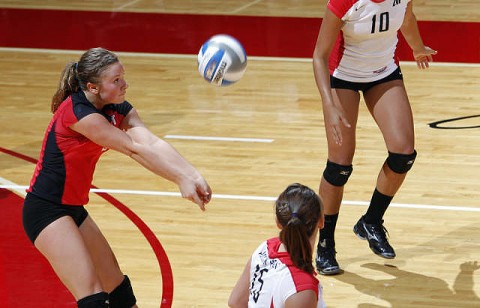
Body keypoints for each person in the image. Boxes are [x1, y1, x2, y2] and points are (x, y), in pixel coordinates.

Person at [22, 47, 212, 307]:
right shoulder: (79, 115)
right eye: (116, 80)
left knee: (119, 289)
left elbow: (151, 142)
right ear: (93, 87)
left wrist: (191, 173)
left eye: (122, 76)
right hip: (46, 210)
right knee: (93, 296)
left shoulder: (116, 108)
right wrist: (179, 179)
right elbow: (133, 149)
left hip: (73, 208)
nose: (125, 84)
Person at [312, 0, 437, 275]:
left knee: (403, 154)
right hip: (341, 77)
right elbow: (319, 56)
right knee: (339, 166)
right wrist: (328, 104)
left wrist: (417, 47)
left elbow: (407, 18)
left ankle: (371, 221)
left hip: (383, 73)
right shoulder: (345, 1)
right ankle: (325, 244)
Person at [228, 183, 326, 308]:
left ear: (278, 223)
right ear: (322, 221)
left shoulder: (265, 248)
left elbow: (236, 302)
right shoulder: (301, 289)